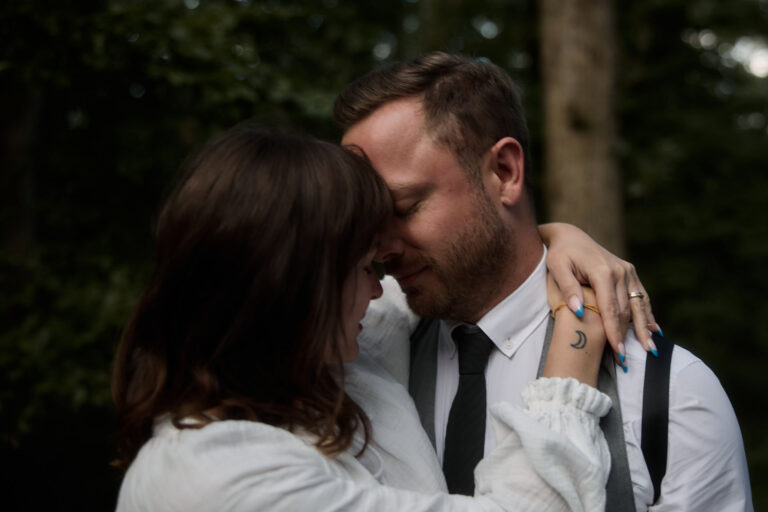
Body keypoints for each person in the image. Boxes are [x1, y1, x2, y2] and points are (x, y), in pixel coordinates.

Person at [112, 123, 624, 511]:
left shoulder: (319, 361)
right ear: (293, 291)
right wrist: (576, 346)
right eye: (363, 268)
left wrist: (553, 239)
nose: (381, 288)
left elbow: (464, 266)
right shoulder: (222, 477)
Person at [335, 52, 753, 511]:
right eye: (370, 223)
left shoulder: (670, 396)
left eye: (405, 207)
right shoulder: (365, 358)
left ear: (505, 172)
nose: (382, 248)